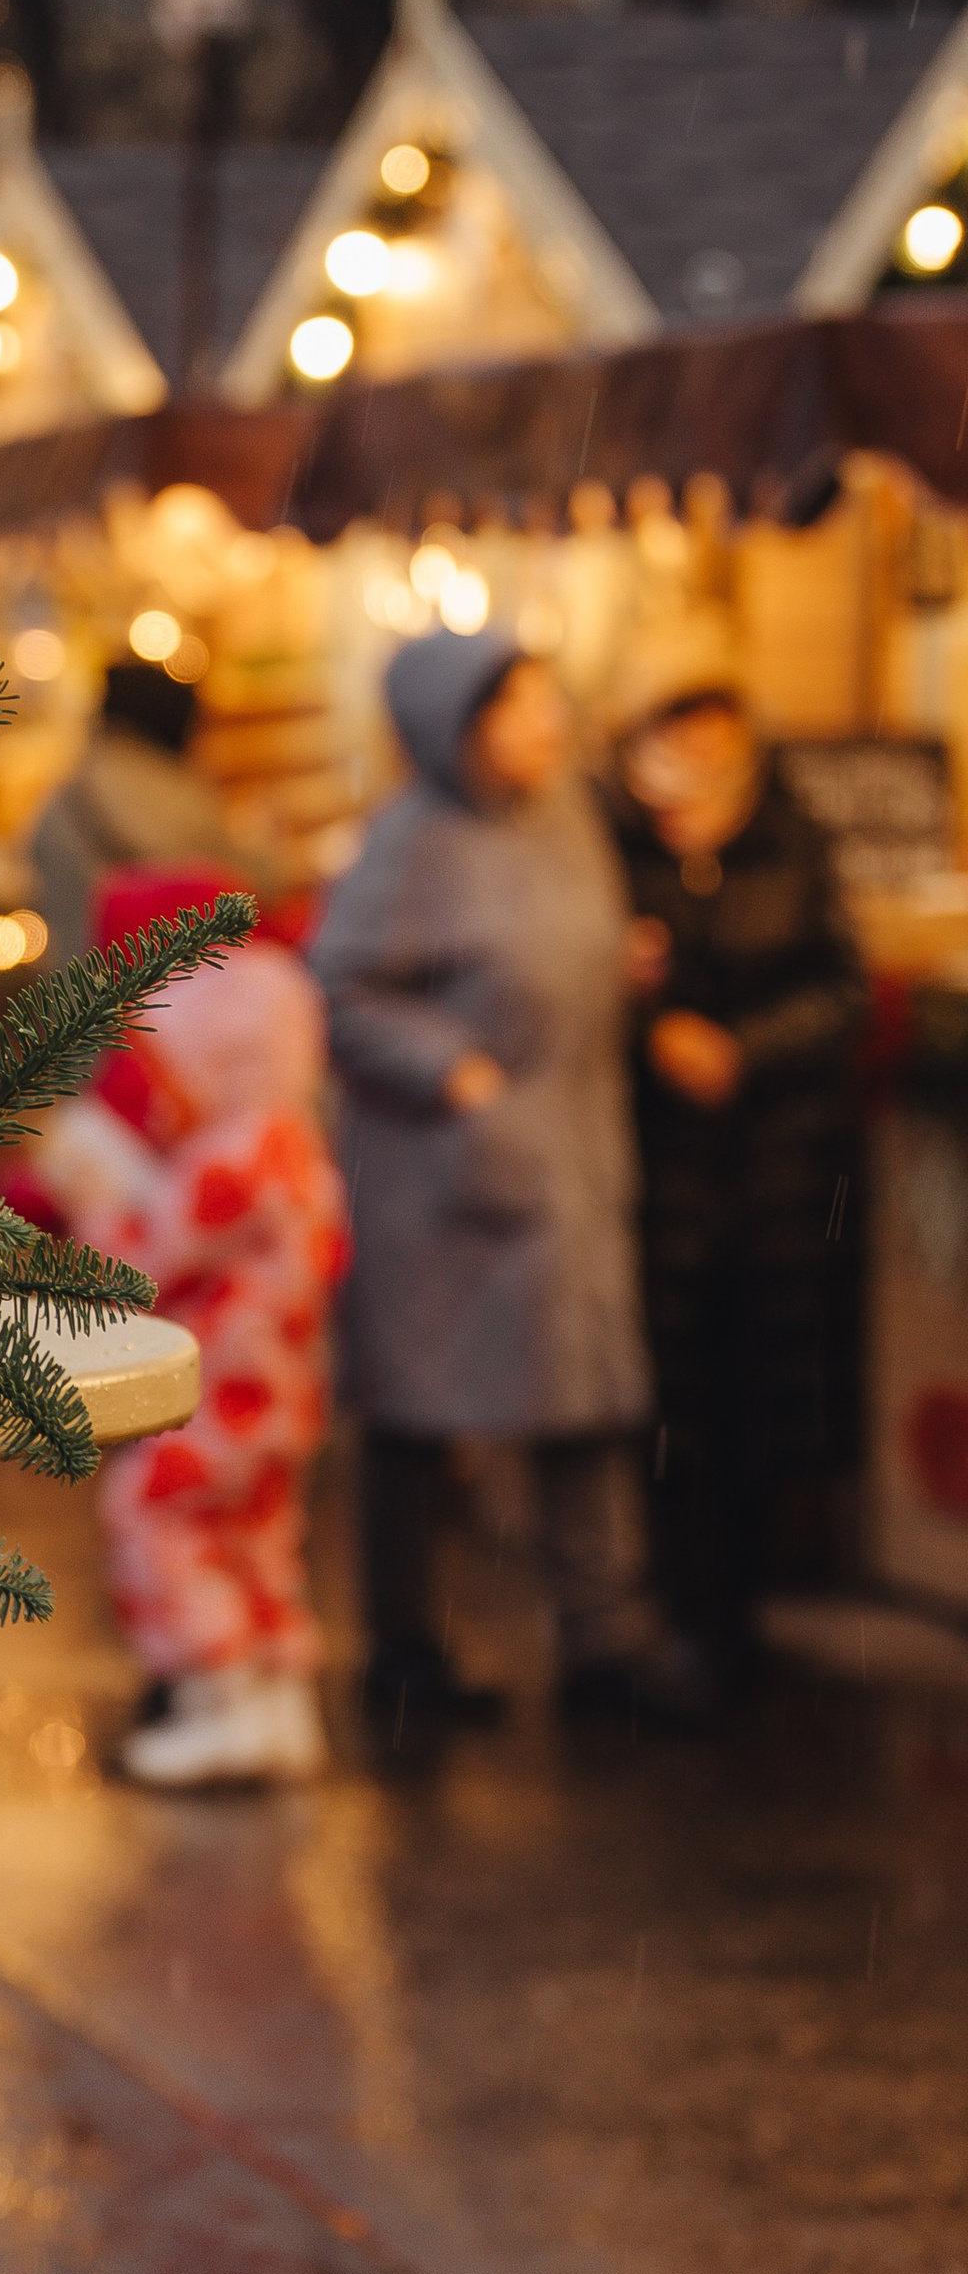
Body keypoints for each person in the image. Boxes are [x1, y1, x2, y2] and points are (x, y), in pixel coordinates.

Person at [310, 627, 699, 1733]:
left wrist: (614, 965)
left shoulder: (567, 818)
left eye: (545, 700)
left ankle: (606, 1642)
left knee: (585, 1401)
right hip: (437, 1176)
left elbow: (551, 943)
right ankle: (405, 1650)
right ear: (457, 728)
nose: (547, 724)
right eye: (519, 706)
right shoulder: (410, 842)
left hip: (567, 1154)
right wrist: (455, 1071)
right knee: (418, 1416)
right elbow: (341, 988)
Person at [28, 866, 345, 1785]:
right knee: (256, 1539)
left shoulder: (229, 1160)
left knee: (155, 1514)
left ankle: (216, 1691)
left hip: (222, 1396)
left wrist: (85, 1180)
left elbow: (136, 1259)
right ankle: (278, 1702)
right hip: (279, 1397)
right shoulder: (289, 1144)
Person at [608, 624, 867, 1678]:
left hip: (779, 1166)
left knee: (765, 1388)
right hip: (655, 1166)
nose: (701, 739)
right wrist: (647, 1029)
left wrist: (745, 1052)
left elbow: (842, 988)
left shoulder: (793, 836)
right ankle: (677, 1610)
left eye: (715, 714)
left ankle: (745, 1615)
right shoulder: (607, 844)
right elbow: (562, 987)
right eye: (677, 716)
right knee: (669, 1398)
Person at [26, 657, 257, 963]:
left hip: (76, 992)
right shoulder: (174, 795)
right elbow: (244, 881)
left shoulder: (64, 797)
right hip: (170, 991)